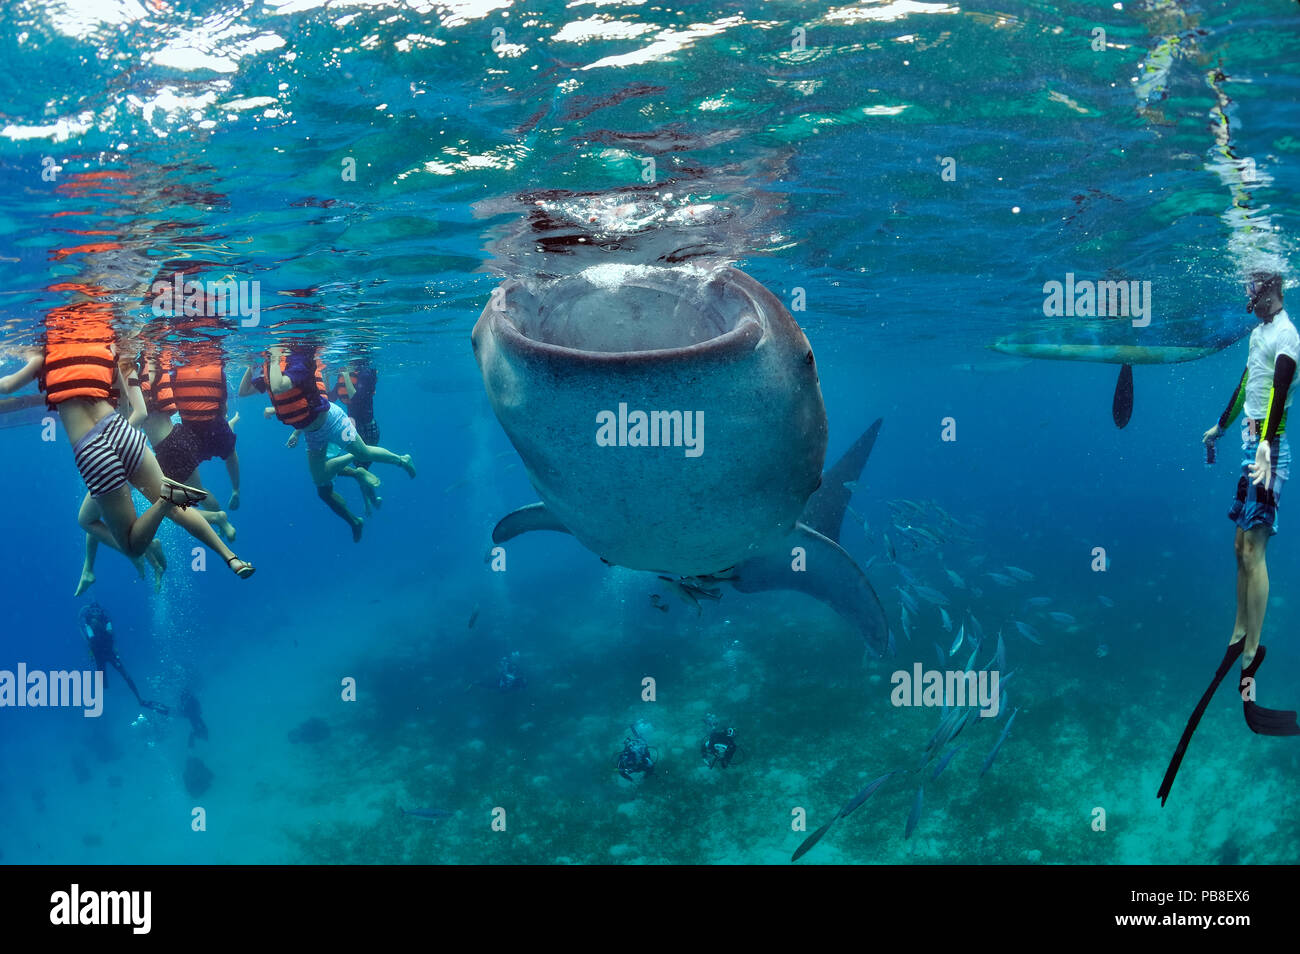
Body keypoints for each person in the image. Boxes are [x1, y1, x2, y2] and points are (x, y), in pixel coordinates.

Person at [0, 285, 255, 579]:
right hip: (122, 431)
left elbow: (7, 386)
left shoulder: (46, 354)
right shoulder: (106, 346)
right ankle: (231, 557)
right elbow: (126, 395)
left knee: (133, 546)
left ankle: (164, 501)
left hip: (92, 447)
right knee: (180, 508)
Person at [1159, 272, 1300, 805]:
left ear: (1275, 290)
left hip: (1271, 452)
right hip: (1250, 448)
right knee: (1238, 547)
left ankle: (1252, 650)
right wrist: (1222, 425)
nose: (1247, 299)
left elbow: (1281, 391)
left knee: (1256, 548)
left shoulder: (1288, 336)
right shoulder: (1258, 334)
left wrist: (1267, 444)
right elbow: (1246, 383)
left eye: (1254, 291)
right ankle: (1240, 628)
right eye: (1246, 291)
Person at [239, 344, 415, 541]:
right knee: (319, 478)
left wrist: (273, 359)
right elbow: (243, 391)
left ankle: (403, 459)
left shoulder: (298, 364)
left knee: (364, 452)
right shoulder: (272, 373)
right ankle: (357, 471)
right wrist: (250, 366)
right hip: (312, 433)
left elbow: (280, 386)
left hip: (333, 421)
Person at [79, 602, 168, 714]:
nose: (95, 614)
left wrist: (101, 628)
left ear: (101, 612)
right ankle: (110, 704)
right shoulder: (88, 624)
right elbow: (91, 640)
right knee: (103, 684)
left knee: (126, 675)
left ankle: (140, 700)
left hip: (109, 653)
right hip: (98, 655)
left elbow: (110, 635)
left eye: (97, 611)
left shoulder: (106, 621)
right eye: (93, 611)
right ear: (89, 613)